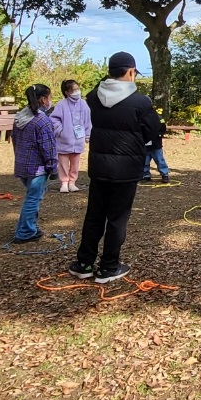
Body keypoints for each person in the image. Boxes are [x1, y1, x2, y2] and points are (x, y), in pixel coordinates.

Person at [68, 51, 161, 283]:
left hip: (99, 165)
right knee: (118, 218)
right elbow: (154, 130)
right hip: (127, 168)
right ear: (130, 71)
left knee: (94, 215)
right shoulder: (140, 102)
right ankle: (109, 266)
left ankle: (84, 263)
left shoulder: (92, 97)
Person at [10, 84, 58, 243]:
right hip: (37, 169)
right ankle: (25, 232)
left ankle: (28, 228)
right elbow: (48, 147)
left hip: (22, 165)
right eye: (49, 97)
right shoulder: (42, 121)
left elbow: (15, 140)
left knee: (31, 198)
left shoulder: (20, 117)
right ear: (44, 99)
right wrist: (53, 168)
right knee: (33, 200)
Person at [49, 79, 90, 193]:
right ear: (67, 92)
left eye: (78, 89)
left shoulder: (83, 104)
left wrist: (87, 135)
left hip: (78, 140)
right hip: (63, 141)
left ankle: (72, 182)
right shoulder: (61, 105)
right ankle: (64, 182)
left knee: (75, 163)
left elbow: (87, 121)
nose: (77, 91)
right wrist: (61, 131)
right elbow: (53, 119)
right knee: (62, 163)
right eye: (74, 89)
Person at [141, 109, 170, 183]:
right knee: (145, 161)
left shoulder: (158, 117)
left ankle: (165, 175)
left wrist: (159, 135)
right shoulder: (140, 117)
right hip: (145, 144)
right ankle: (146, 175)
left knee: (160, 160)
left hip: (156, 144)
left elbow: (163, 127)